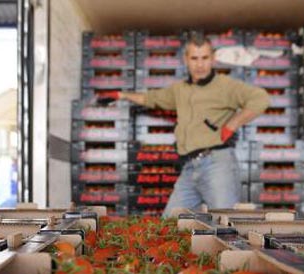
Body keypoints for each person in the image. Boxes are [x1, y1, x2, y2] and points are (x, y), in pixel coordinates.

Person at [98, 33, 270, 216]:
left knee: (225, 222)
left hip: (217, 164)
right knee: (171, 222)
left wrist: (233, 124)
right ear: (186, 59)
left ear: (212, 58)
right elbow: (152, 98)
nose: (200, 64)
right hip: (189, 167)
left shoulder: (226, 85)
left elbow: (261, 98)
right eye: (194, 58)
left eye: (205, 58)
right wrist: (121, 95)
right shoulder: (180, 89)